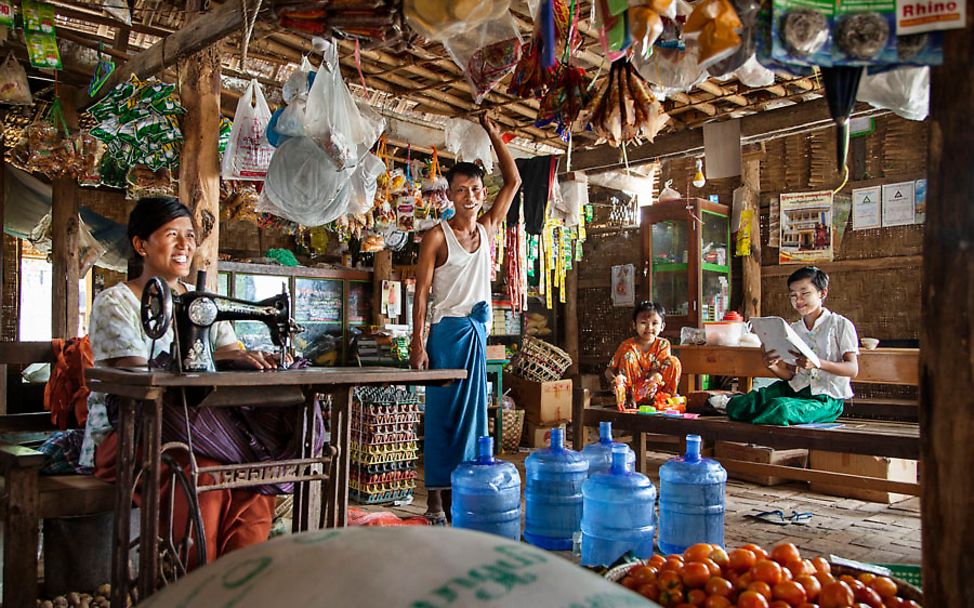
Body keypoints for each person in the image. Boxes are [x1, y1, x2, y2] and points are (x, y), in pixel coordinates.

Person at [81, 196, 306, 566]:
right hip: (133, 432)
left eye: (189, 235)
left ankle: (235, 583)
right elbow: (141, 377)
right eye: (172, 234)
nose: (185, 245)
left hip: (198, 429)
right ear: (141, 245)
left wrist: (250, 361)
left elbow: (231, 353)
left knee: (254, 473)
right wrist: (219, 359)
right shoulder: (115, 302)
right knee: (207, 474)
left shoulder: (201, 303)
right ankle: (192, 583)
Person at [410, 114, 520, 525]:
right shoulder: (436, 236)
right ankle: (434, 501)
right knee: (441, 415)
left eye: (475, 189)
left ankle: (462, 493)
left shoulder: (489, 227)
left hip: (477, 332)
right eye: (460, 191)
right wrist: (417, 342)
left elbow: (513, 182)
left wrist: (495, 133)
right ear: (450, 196)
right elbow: (421, 292)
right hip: (445, 335)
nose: (469, 196)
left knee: (473, 419)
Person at [722, 266, 859, 425]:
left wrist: (818, 363)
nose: (798, 300)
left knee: (780, 409)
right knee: (739, 404)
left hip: (826, 399)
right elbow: (790, 375)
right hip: (794, 390)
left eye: (805, 293)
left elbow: (853, 369)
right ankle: (756, 417)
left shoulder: (840, 325)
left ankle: (756, 426)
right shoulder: (793, 330)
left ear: (822, 293)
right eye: (793, 295)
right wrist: (772, 366)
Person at [604, 301, 682, 409]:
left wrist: (654, 381)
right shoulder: (627, 345)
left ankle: (666, 400)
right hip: (632, 394)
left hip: (655, 391)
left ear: (662, 326)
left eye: (654, 323)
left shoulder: (663, 344)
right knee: (628, 356)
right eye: (643, 323)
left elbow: (657, 371)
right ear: (634, 325)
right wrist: (615, 380)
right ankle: (628, 401)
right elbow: (608, 371)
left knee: (674, 361)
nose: (649, 327)